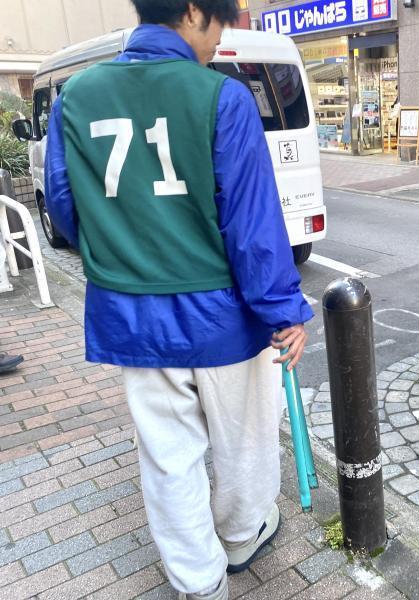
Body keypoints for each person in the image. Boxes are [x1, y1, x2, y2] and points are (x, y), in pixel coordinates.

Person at [44, 2, 312, 599]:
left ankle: (198, 582)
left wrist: (119, 251)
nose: (224, 35)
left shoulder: (76, 97)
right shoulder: (221, 97)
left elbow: (63, 204)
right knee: (244, 437)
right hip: (225, 315)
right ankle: (242, 536)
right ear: (194, 12)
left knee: (168, 459)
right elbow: (252, 223)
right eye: (223, 19)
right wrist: (284, 310)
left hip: (133, 312)